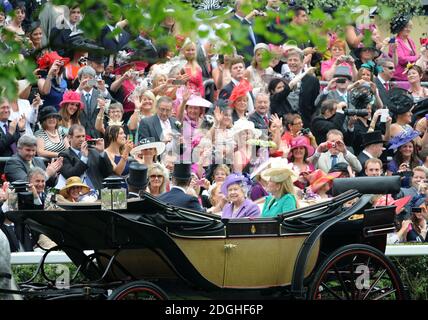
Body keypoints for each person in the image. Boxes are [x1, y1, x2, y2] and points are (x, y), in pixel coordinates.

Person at [59, 124, 113, 191]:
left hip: (98, 191)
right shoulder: (64, 155)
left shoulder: (94, 151)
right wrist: (84, 158)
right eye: (78, 137)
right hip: (78, 195)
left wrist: (102, 152)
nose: (81, 139)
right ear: (69, 138)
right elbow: (71, 175)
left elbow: (108, 172)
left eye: (83, 136)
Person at [389, 14, 419, 81]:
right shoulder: (394, 40)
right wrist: (417, 57)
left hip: (410, 77)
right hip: (399, 78)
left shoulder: (411, 41)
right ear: (400, 27)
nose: (408, 29)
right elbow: (402, 59)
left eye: (410, 27)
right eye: (406, 27)